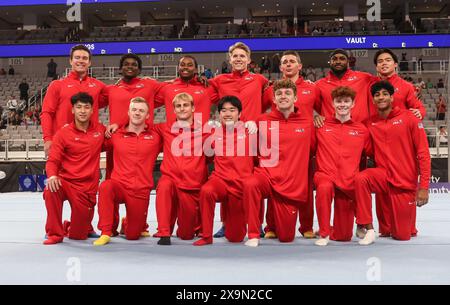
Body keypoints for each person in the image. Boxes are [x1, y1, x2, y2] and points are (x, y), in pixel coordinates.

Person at [355, 81, 431, 245]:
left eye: (384, 94)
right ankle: (366, 227)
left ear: (392, 97)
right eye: (376, 95)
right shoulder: (369, 123)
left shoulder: (409, 117)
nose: (380, 97)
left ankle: (406, 224)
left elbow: (423, 154)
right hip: (383, 176)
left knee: (402, 235)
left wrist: (424, 187)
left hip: (404, 183)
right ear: (373, 100)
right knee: (361, 178)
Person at [243, 79, 314, 247]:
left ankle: (274, 221)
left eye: (288, 93)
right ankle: (253, 234)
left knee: (286, 237)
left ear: (295, 98)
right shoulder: (261, 120)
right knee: (250, 184)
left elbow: (314, 150)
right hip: (266, 177)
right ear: (273, 99)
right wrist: (249, 123)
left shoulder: (308, 122)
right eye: (279, 94)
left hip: (290, 185)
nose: (283, 96)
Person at [209, 42, 269, 237]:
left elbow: (273, 99)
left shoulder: (259, 80)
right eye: (235, 56)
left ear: (249, 60)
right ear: (230, 59)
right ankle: (226, 223)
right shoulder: (219, 81)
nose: (238, 59)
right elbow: (203, 98)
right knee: (225, 177)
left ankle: (257, 223)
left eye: (242, 56)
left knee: (253, 180)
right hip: (228, 137)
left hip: (252, 136)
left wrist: (257, 122)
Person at [262, 50, 320, 239]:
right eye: (284, 62)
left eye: (292, 61)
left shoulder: (312, 88)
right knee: (273, 184)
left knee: (305, 185)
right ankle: (270, 225)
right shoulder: (271, 89)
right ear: (280, 67)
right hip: (278, 141)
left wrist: (320, 118)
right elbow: (262, 109)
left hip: (302, 141)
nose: (288, 64)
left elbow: (325, 108)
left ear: (299, 66)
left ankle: (306, 226)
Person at [94, 97, 162, 246]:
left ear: (148, 116)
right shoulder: (116, 135)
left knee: (133, 236)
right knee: (105, 186)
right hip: (119, 185)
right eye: (134, 110)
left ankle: (127, 223)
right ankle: (106, 232)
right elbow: (92, 144)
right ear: (129, 113)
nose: (137, 113)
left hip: (141, 190)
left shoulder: (156, 137)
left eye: (141, 110)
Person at [43, 92, 105, 245]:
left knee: (78, 236)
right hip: (66, 182)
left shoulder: (100, 131)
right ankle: (54, 233)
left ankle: (67, 226)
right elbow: (53, 161)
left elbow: (116, 142)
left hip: (86, 189)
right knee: (51, 189)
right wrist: (52, 176)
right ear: (72, 110)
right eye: (78, 107)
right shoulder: (63, 133)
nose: (82, 111)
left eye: (86, 107)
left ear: (92, 111)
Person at [194, 96, 256, 246]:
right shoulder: (212, 133)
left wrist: (254, 123)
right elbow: (205, 157)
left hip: (240, 186)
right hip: (220, 181)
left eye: (232, 110)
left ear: (240, 114)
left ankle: (231, 223)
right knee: (206, 190)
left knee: (235, 237)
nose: (227, 113)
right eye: (223, 110)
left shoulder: (250, 131)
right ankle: (207, 235)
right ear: (219, 114)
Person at [314, 86, 372, 246]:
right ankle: (324, 233)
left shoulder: (361, 130)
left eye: (346, 101)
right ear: (332, 103)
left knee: (344, 236)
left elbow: (371, 153)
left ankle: (333, 229)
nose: (342, 105)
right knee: (324, 187)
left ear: (353, 104)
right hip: (325, 175)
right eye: (339, 101)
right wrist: (315, 117)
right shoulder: (321, 125)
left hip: (347, 182)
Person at [153, 93, 209, 245]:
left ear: (193, 108)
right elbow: (138, 121)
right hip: (171, 181)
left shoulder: (205, 131)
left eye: (185, 105)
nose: (182, 108)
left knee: (186, 235)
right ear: (174, 110)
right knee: (164, 185)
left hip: (191, 186)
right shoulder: (164, 128)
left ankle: (189, 225)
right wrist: (118, 124)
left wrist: (247, 124)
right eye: (178, 106)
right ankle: (164, 232)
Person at [41, 44, 106, 157]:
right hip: (63, 145)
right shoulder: (57, 85)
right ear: (70, 61)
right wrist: (47, 139)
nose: (81, 61)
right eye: (77, 57)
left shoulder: (98, 86)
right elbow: (46, 113)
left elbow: (119, 95)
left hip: (89, 144)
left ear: (89, 63)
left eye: (84, 58)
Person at [315, 49, 374, 126]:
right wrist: (315, 115)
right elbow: (311, 106)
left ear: (348, 62)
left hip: (360, 131)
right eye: (334, 59)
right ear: (330, 62)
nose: (338, 61)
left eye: (342, 59)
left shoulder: (364, 78)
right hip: (331, 132)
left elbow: (383, 80)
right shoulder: (319, 84)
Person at [373, 49, 426, 120]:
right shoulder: (370, 84)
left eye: (388, 60)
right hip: (375, 128)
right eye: (380, 61)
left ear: (395, 64)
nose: (384, 63)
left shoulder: (407, 86)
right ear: (376, 67)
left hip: (399, 128)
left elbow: (418, 108)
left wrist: (420, 112)